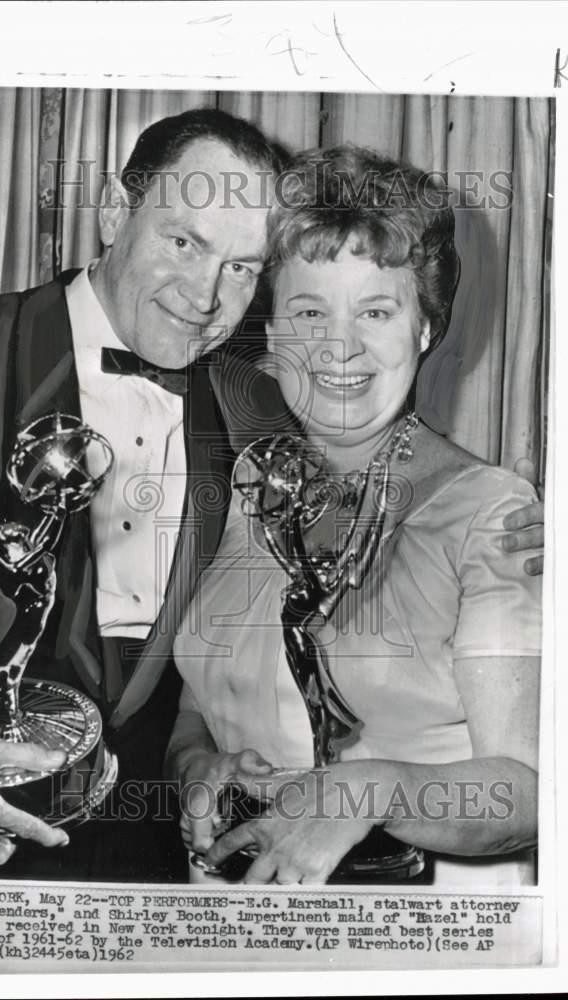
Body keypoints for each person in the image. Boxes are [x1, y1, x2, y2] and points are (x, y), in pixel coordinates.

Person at [0, 111, 544, 884]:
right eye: (183, 241)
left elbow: (530, 781)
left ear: (427, 327)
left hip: (298, 889)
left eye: (241, 266)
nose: (204, 295)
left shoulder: (473, 508)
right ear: (112, 211)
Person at [167, 145, 543, 887]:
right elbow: (196, 708)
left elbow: (528, 793)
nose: (340, 346)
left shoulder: (492, 513)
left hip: (421, 925)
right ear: (272, 338)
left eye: (377, 310)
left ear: (425, 329)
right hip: (229, 911)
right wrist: (199, 769)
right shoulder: (249, 484)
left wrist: (372, 790)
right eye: (309, 311)